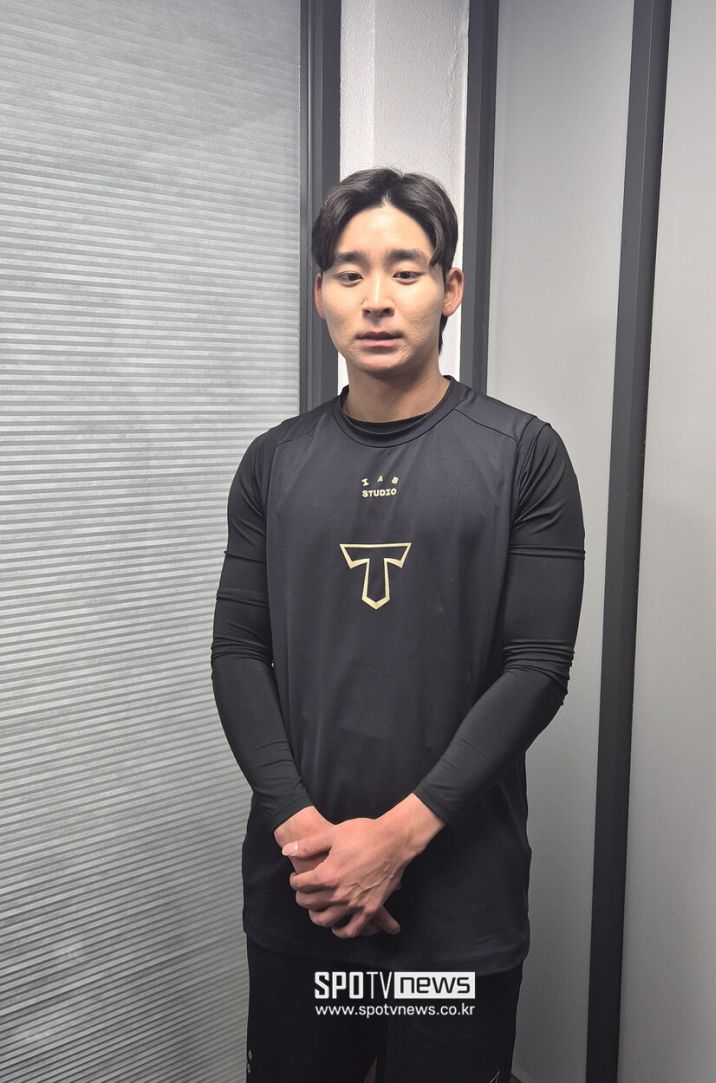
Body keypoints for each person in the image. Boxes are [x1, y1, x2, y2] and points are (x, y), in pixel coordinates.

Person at [211, 167, 585, 1083]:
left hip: (456, 907)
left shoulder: (524, 455)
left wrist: (396, 839)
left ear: (449, 288)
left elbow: (537, 666)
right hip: (305, 893)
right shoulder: (274, 463)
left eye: (405, 271)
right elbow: (239, 651)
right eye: (350, 273)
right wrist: (309, 836)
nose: (376, 299)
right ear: (320, 295)